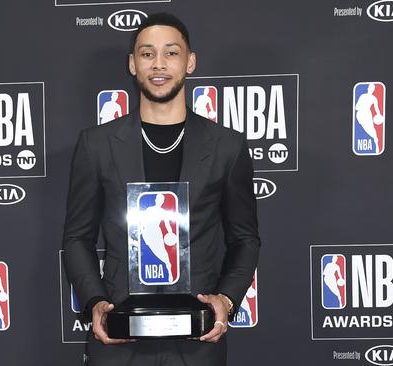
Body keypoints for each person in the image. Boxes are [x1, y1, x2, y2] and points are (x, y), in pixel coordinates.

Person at [62, 12, 260, 366]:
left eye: (171, 53)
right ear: (133, 64)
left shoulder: (227, 147)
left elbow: (245, 238)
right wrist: (95, 302)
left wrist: (226, 301)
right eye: (147, 53)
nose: (159, 64)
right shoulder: (96, 145)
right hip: (119, 331)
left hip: (198, 336)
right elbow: (78, 237)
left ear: (190, 62)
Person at [355, 83, 383, 151]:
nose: (371, 89)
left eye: (372, 88)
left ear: (373, 90)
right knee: (366, 128)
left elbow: (376, 108)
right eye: (370, 88)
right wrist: (362, 106)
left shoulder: (374, 98)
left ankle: (376, 142)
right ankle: (375, 139)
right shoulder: (362, 96)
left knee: (371, 128)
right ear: (368, 88)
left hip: (367, 114)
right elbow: (356, 107)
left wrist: (379, 115)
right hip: (360, 114)